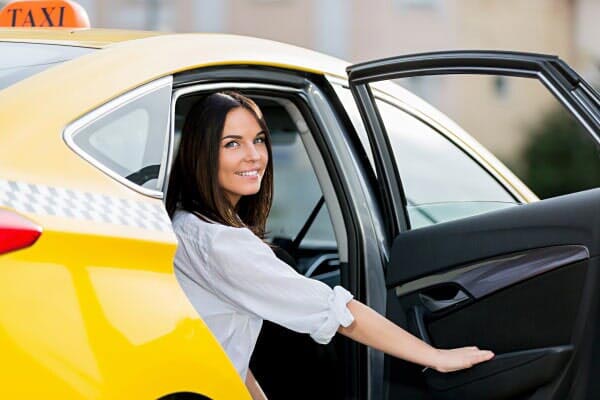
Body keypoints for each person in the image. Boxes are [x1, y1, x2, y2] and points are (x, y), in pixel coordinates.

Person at [166, 92, 494, 399]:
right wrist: (434, 356)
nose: (254, 156)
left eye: (259, 140)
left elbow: (224, 344)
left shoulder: (185, 224)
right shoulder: (221, 244)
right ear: (202, 152)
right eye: (232, 144)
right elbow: (337, 313)